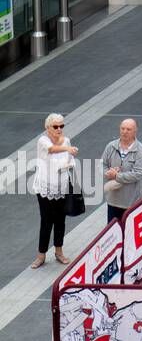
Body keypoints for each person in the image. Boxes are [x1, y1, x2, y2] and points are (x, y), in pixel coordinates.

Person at [31, 113, 78, 268]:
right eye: (56, 126)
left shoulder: (67, 141)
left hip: (62, 186)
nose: (59, 129)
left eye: (62, 126)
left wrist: (70, 162)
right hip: (45, 186)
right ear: (48, 128)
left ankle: (59, 251)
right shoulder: (43, 141)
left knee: (60, 220)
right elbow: (52, 150)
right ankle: (41, 255)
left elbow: (70, 160)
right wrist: (67, 148)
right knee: (46, 220)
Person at [102, 119, 142, 225]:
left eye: (128, 129)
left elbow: (138, 174)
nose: (124, 132)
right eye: (122, 128)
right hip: (113, 201)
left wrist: (117, 176)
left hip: (131, 202)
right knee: (113, 233)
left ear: (135, 131)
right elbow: (103, 165)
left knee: (129, 234)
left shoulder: (141, 150)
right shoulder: (111, 146)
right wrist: (108, 173)